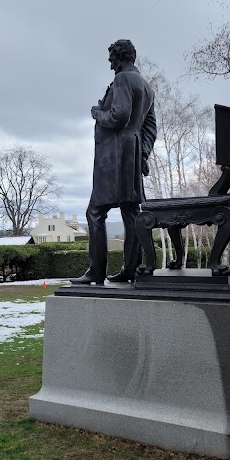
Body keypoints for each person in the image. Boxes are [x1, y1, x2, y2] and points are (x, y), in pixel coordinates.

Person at [70, 39, 157, 285]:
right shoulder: (147, 86)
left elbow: (119, 115)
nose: (110, 64)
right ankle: (131, 269)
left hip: (114, 157)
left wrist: (97, 114)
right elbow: (150, 128)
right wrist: (142, 153)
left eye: (111, 58)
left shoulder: (122, 79)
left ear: (119, 57)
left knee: (95, 212)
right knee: (131, 212)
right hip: (131, 154)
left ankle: (96, 271)